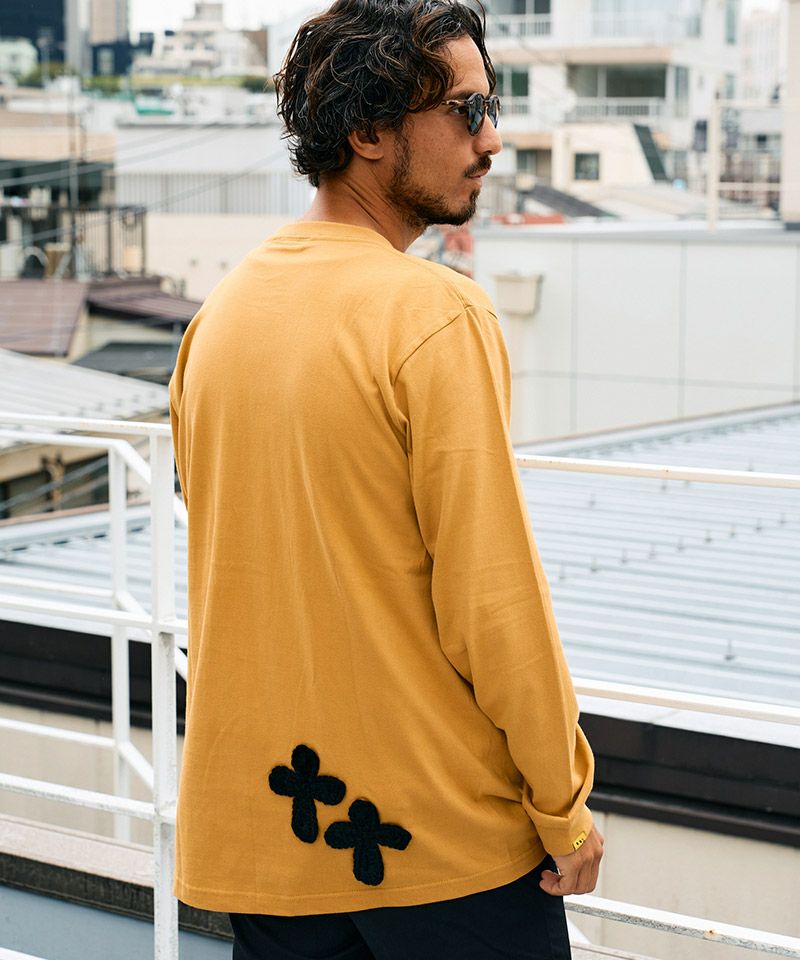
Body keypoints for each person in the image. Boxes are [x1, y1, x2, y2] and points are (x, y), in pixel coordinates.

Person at [168, 1, 603, 957]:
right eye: (465, 110)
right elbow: (493, 599)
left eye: (492, 107)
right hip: (440, 845)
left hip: (270, 843)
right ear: (367, 132)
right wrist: (563, 804)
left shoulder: (221, 317)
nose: (491, 140)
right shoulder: (434, 315)